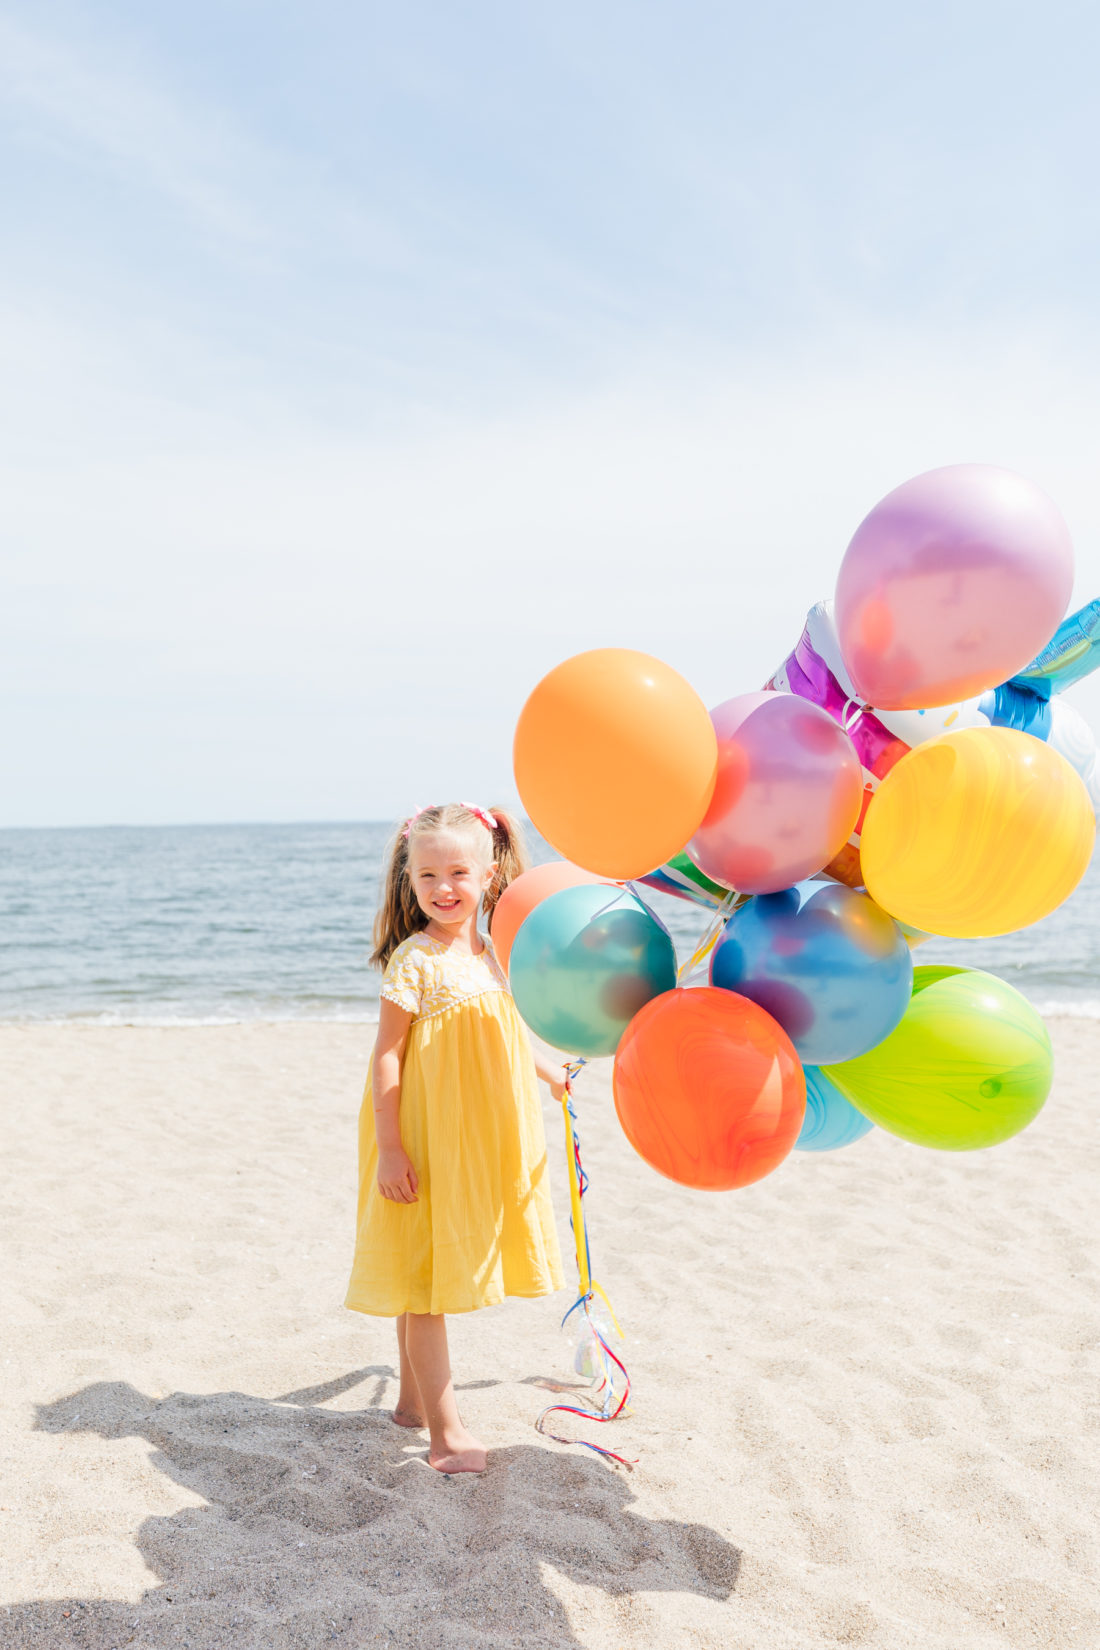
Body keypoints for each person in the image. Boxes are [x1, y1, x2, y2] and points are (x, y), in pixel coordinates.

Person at [345, 802, 567, 1473]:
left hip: (476, 1130)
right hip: (422, 1129)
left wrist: (548, 1069)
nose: (444, 889)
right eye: (427, 877)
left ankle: (411, 1402)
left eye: (459, 872)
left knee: (425, 1268)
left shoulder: (495, 950)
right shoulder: (415, 960)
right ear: (408, 882)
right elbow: (388, 1056)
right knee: (428, 1281)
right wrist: (390, 1148)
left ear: (492, 871)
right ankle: (443, 1433)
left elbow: (496, 1029)